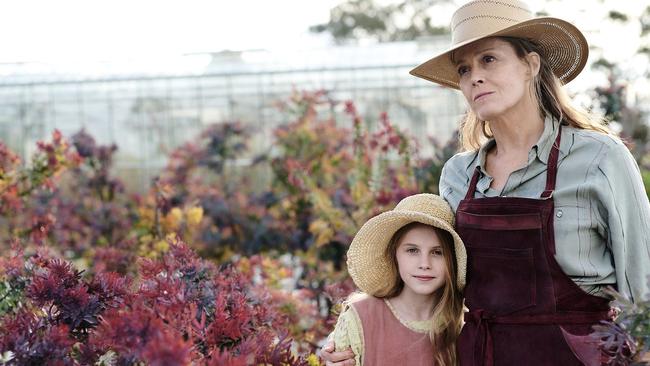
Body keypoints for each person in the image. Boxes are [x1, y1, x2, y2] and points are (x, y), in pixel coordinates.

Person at [322, 0, 650, 365]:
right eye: (464, 69)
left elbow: (644, 286)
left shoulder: (599, 158)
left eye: (489, 59)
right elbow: (432, 285)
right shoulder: (458, 175)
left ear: (531, 65)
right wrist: (357, 339)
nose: (474, 76)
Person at [326, 193, 466, 366]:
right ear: (395, 255)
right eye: (412, 250)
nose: (424, 264)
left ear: (452, 260)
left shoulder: (462, 325)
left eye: (438, 252)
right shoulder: (360, 317)